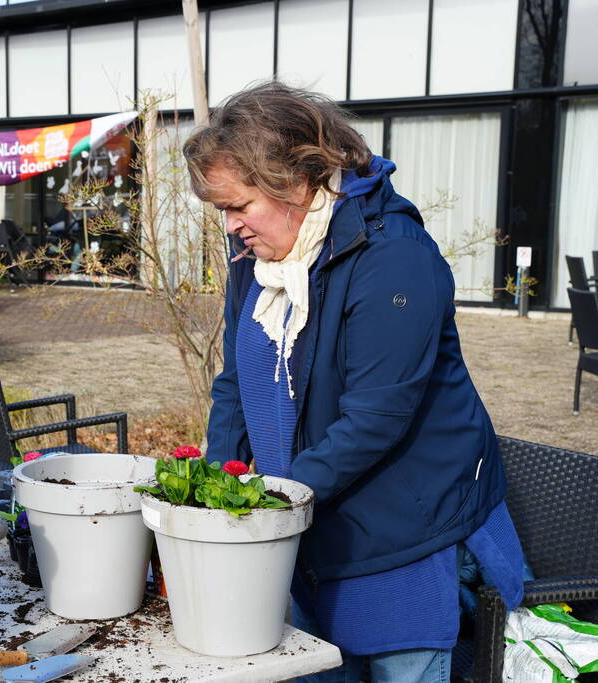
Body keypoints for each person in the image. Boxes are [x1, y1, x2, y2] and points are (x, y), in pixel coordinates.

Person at [185, 82, 526, 682]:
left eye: (239, 206)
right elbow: (236, 385)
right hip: (308, 525)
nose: (232, 225)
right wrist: (217, 488)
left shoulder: (393, 256)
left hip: (402, 537)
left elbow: (377, 417)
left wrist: (269, 503)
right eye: (223, 212)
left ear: (295, 179)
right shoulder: (257, 263)